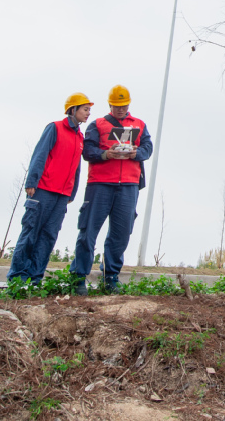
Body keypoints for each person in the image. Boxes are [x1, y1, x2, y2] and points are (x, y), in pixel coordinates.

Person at [69, 84, 152, 294]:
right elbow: (87, 151)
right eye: (116, 106)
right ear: (110, 105)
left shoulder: (140, 125)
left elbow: (148, 148)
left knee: (121, 233)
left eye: (123, 105)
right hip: (100, 185)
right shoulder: (97, 124)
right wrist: (106, 154)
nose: (120, 109)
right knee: (88, 231)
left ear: (129, 104)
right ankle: (79, 277)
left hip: (129, 186)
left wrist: (137, 152)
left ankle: (111, 276)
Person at [6, 93, 93, 284]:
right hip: (43, 190)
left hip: (62, 196)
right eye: (85, 109)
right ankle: (17, 279)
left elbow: (76, 167)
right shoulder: (54, 128)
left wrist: (72, 191)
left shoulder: (80, 137)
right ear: (73, 109)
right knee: (30, 233)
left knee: (48, 237)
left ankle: (35, 279)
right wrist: (32, 181)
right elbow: (40, 154)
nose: (88, 114)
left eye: (89, 110)